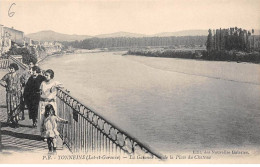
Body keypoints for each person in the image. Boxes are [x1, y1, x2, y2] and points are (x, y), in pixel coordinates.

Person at [38, 69, 63, 134]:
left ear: (51, 76)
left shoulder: (54, 83)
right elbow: (40, 91)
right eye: (45, 75)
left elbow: (62, 86)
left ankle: (52, 133)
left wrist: (55, 86)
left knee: (51, 119)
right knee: (42, 118)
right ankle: (43, 134)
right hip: (43, 102)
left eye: (47, 75)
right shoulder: (43, 83)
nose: (45, 76)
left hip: (51, 103)